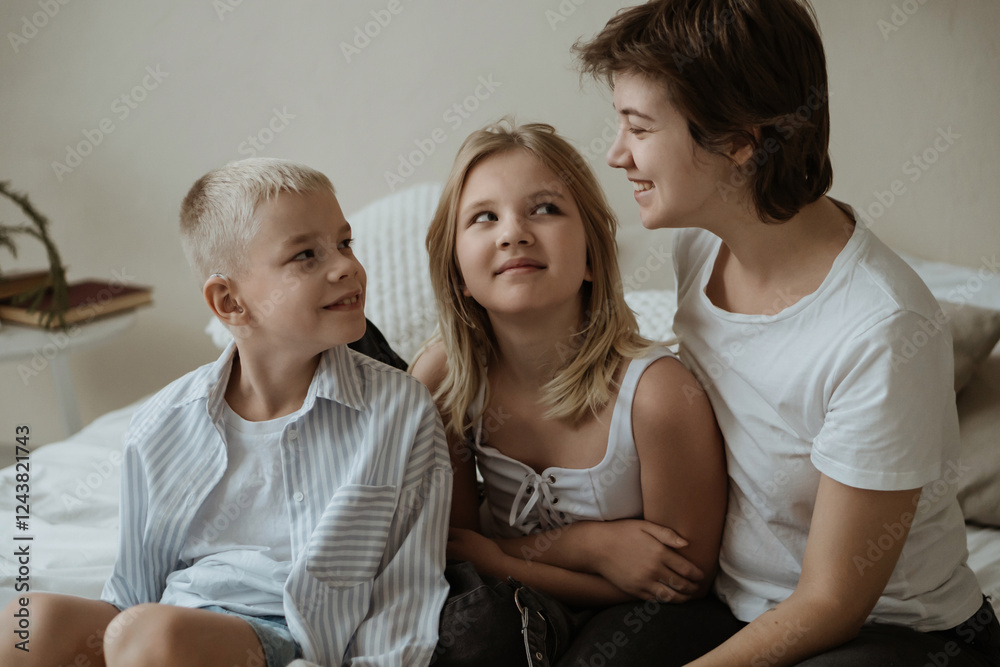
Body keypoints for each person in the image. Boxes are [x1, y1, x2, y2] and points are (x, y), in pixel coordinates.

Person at [569, 0, 1000, 665]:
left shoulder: (881, 329)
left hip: (891, 632)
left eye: (639, 127)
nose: (616, 153)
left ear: (739, 140)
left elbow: (832, 602)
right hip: (737, 602)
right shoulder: (698, 246)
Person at [0, 158, 453, 667]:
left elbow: (407, 593)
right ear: (229, 302)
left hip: (284, 639)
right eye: (306, 254)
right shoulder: (162, 425)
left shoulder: (398, 411)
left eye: (345, 243)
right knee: (28, 621)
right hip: (164, 625)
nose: (346, 265)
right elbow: (133, 592)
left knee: (153, 635)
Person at [410, 120, 727, 666]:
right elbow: (459, 551)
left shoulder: (657, 396)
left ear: (590, 259)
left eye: (545, 209)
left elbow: (682, 582)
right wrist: (590, 546)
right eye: (484, 217)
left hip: (644, 614)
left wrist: (500, 559)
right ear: (458, 271)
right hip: (511, 604)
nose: (513, 233)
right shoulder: (445, 380)